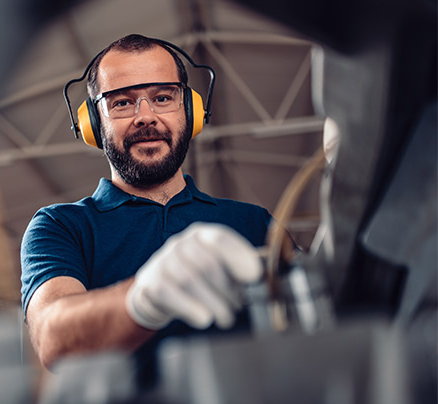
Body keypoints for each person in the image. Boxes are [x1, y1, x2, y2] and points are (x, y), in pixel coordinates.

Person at [20, 34, 271, 375]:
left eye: (163, 97)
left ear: (191, 111)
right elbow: (52, 337)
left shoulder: (254, 223)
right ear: (93, 124)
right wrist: (145, 298)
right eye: (122, 103)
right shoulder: (61, 226)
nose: (146, 116)